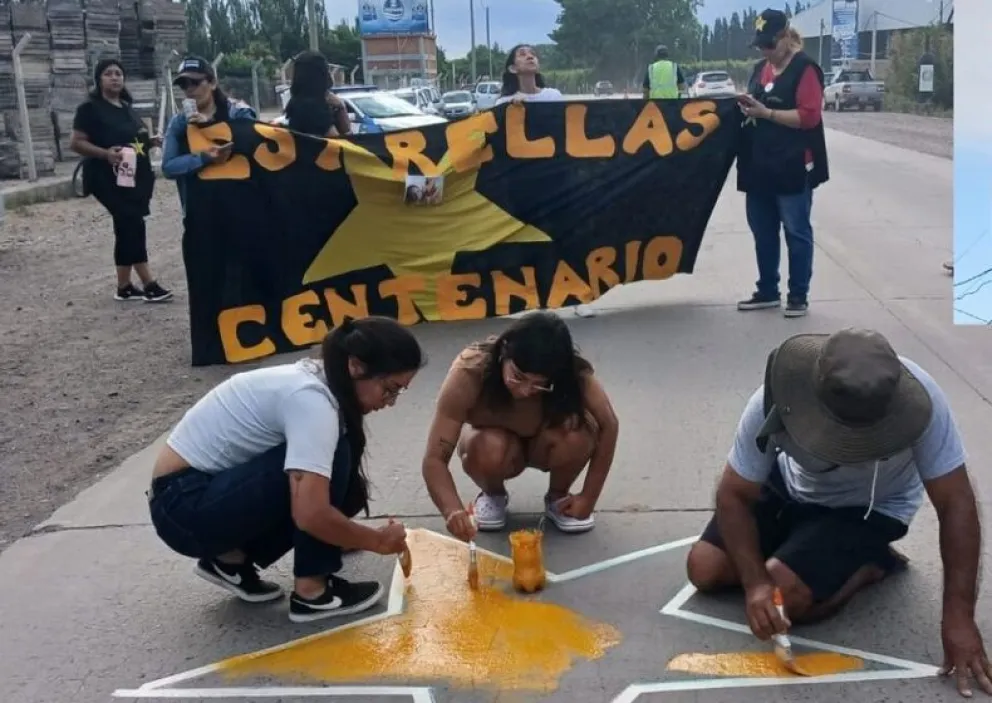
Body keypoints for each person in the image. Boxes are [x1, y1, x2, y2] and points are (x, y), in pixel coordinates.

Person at [686, 328, 992, 698]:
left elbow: (956, 502)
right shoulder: (775, 397)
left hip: (868, 507)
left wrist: (959, 617)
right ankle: (800, 551)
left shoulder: (924, 403)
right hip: (790, 483)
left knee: (785, 596)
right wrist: (754, 585)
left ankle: (870, 564)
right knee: (704, 569)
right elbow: (734, 493)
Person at [147, 318, 425, 623]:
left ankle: (230, 560)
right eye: (389, 389)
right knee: (332, 457)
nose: (391, 402)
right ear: (356, 366)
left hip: (186, 499)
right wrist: (377, 541)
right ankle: (313, 592)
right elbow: (310, 513)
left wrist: (344, 534)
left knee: (339, 479)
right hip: (183, 506)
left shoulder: (319, 384)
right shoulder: (312, 401)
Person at [421, 311, 620, 540]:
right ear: (504, 351)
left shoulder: (572, 372)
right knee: (487, 446)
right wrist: (452, 510)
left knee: (576, 434)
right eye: (518, 377)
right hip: (495, 446)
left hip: (547, 442)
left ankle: (558, 496)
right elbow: (434, 458)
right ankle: (493, 494)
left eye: (540, 385)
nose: (525, 390)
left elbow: (609, 424)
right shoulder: (469, 371)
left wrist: (588, 497)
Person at [735, 9, 829, 318]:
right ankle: (767, 290)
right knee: (762, 230)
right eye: (760, 46)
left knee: (796, 231)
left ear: (785, 38)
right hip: (759, 165)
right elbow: (755, 104)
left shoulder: (805, 69)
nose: (765, 52)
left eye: (769, 46)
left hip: (791, 165)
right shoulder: (760, 69)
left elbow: (809, 117)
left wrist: (768, 114)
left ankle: (798, 295)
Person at [69, 58, 172, 303]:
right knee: (131, 223)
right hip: (105, 177)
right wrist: (106, 154)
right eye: (108, 74)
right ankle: (149, 283)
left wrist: (151, 141)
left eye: (118, 73)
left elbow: (132, 142)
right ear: (99, 79)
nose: (115, 77)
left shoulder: (126, 107)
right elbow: (76, 142)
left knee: (126, 225)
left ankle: (124, 286)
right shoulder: (89, 109)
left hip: (133, 177)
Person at [161, 55, 258, 215]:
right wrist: (203, 158)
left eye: (196, 82)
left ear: (212, 83)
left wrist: (210, 125)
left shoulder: (238, 112)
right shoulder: (179, 122)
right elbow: (168, 167)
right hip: (198, 210)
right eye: (184, 85)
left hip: (240, 205)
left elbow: (253, 149)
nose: (190, 90)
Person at [282, 50, 352, 138]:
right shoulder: (313, 108)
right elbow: (338, 143)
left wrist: (339, 107)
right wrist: (341, 107)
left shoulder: (296, 103)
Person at [495, 45, 564, 106]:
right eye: (522, 54)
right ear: (513, 68)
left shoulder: (553, 96)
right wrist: (514, 109)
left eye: (533, 54)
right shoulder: (504, 103)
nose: (530, 56)